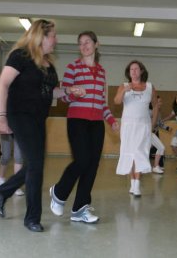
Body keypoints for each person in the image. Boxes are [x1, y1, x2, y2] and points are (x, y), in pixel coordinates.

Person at [0, 19, 82, 232]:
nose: (56, 39)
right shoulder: (21, 56)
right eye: (53, 36)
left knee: (35, 164)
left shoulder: (49, 65)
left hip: (38, 119)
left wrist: (68, 91)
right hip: (19, 115)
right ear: (41, 36)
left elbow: (50, 92)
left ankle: (2, 191)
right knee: (36, 166)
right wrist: (1, 115)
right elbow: (3, 83)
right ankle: (32, 217)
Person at [49, 31, 119, 224]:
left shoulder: (102, 71)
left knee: (92, 165)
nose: (84, 46)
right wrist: (74, 93)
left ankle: (80, 209)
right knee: (82, 160)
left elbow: (102, 103)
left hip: (97, 123)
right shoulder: (73, 67)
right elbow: (64, 96)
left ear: (97, 44)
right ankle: (58, 192)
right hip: (77, 120)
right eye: (80, 43)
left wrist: (112, 120)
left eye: (87, 42)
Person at [114, 60, 158, 197]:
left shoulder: (150, 87)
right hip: (128, 126)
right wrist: (123, 92)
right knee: (130, 153)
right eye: (131, 69)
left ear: (142, 71)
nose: (134, 71)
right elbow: (116, 101)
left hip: (143, 125)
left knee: (140, 153)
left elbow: (156, 105)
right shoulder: (124, 85)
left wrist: (153, 122)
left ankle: (137, 185)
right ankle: (132, 184)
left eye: (136, 69)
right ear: (129, 72)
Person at [150, 96, 170, 174]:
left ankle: (156, 166)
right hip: (147, 133)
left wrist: (167, 128)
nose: (160, 103)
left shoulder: (158, 112)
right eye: (158, 101)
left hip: (151, 133)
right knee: (144, 150)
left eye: (160, 101)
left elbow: (159, 123)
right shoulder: (150, 111)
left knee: (160, 148)